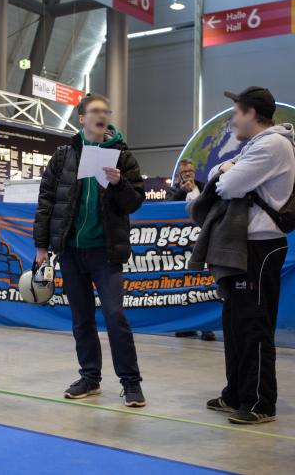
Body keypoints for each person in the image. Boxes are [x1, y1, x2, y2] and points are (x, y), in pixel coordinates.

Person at [34, 93, 147, 408]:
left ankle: (131, 383)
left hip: (105, 252)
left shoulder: (123, 157)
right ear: (81, 118)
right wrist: (41, 246)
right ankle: (90, 378)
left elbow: (134, 202)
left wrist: (120, 184)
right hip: (71, 251)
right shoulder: (63, 156)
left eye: (106, 111)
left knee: (114, 315)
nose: (102, 115)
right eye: (95, 111)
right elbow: (47, 203)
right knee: (81, 319)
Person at [203, 87, 295, 425]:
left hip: (261, 247)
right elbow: (216, 177)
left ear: (252, 113)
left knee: (253, 325)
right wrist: (226, 168)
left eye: (237, 112)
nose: (232, 119)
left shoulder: (272, 145)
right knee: (235, 323)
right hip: (246, 247)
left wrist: (227, 170)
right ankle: (236, 393)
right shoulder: (257, 146)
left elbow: (225, 187)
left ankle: (259, 402)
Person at [170, 160, 216, 342]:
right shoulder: (174, 191)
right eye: (184, 172)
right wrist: (183, 191)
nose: (187, 174)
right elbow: (167, 207)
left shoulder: (205, 188)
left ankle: (206, 328)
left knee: (203, 285)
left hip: (203, 243)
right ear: (179, 175)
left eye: (190, 171)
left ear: (195, 172)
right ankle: (185, 326)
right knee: (183, 287)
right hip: (181, 248)